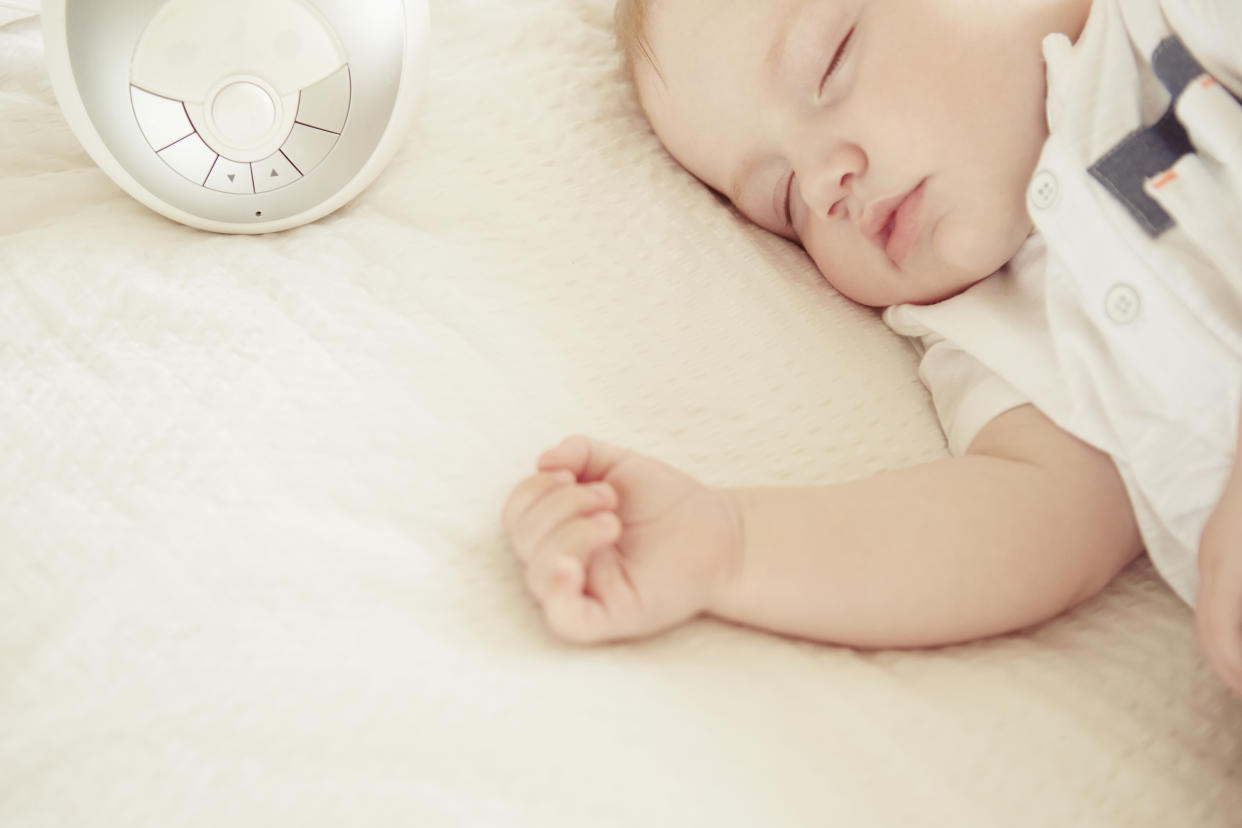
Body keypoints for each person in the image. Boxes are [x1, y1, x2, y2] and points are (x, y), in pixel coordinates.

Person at [500, 0, 1242, 701]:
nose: (825, 187)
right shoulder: (990, 322)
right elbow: (1020, 527)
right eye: (783, 201)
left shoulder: (1174, 28)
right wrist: (729, 547)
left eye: (829, 63)